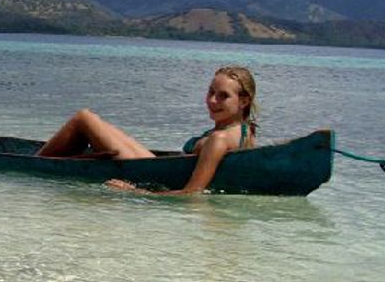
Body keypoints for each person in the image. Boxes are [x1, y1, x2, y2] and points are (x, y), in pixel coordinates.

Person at [36, 66, 258, 195]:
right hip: (157, 167)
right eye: (210, 92)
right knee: (89, 120)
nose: (212, 101)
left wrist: (135, 192)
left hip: (152, 175)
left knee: (84, 118)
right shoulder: (245, 132)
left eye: (223, 96)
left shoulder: (219, 139)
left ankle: (32, 164)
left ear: (244, 101)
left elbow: (191, 195)